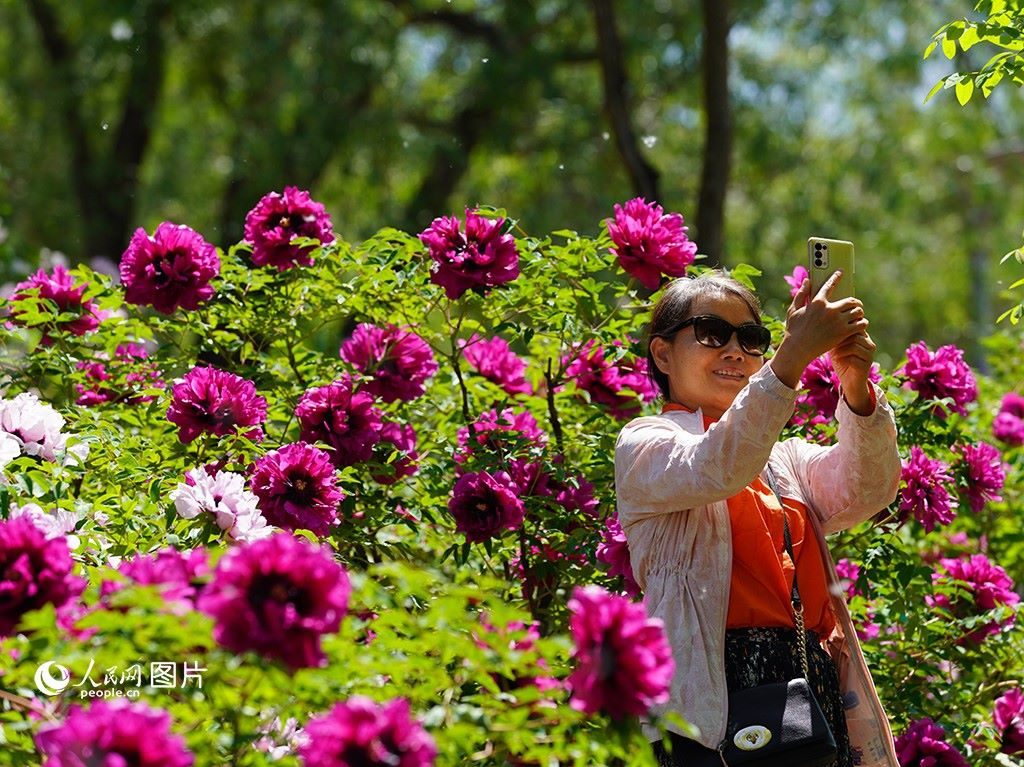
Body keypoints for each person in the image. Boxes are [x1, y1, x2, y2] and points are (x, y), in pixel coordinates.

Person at [614, 270, 901, 767]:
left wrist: (855, 385)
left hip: (806, 683)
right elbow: (717, 466)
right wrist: (793, 355)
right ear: (662, 354)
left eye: (750, 339)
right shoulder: (644, 442)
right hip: (709, 696)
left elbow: (868, 490)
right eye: (712, 333)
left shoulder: (782, 459)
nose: (735, 352)